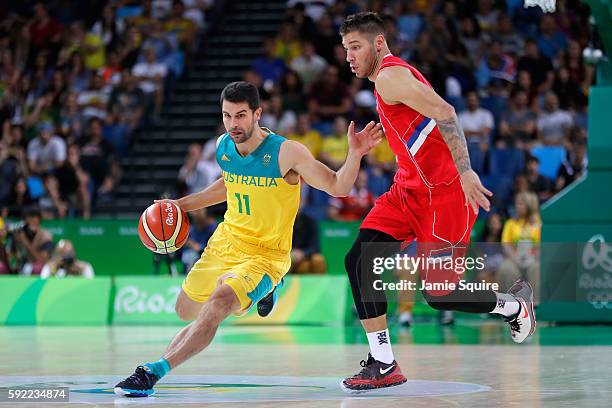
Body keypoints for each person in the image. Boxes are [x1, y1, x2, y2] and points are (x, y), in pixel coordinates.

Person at [114, 81, 383, 397]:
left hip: (265, 254)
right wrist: (178, 205)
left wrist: (355, 154)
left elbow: (338, 186)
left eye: (240, 115)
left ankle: (152, 372)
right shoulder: (224, 147)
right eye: (227, 116)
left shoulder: (287, 153)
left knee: (220, 304)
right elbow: (228, 184)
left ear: (258, 114)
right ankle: (262, 292)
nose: (233, 124)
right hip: (225, 242)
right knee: (185, 310)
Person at [339, 12, 536, 392]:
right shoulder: (384, 81)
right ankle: (383, 362)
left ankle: (513, 306)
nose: (349, 56)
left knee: (439, 293)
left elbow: (447, 113)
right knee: (359, 260)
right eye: (346, 48)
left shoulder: (391, 76)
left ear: (379, 44)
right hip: (408, 190)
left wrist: (465, 172)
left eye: (355, 47)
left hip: (445, 196)